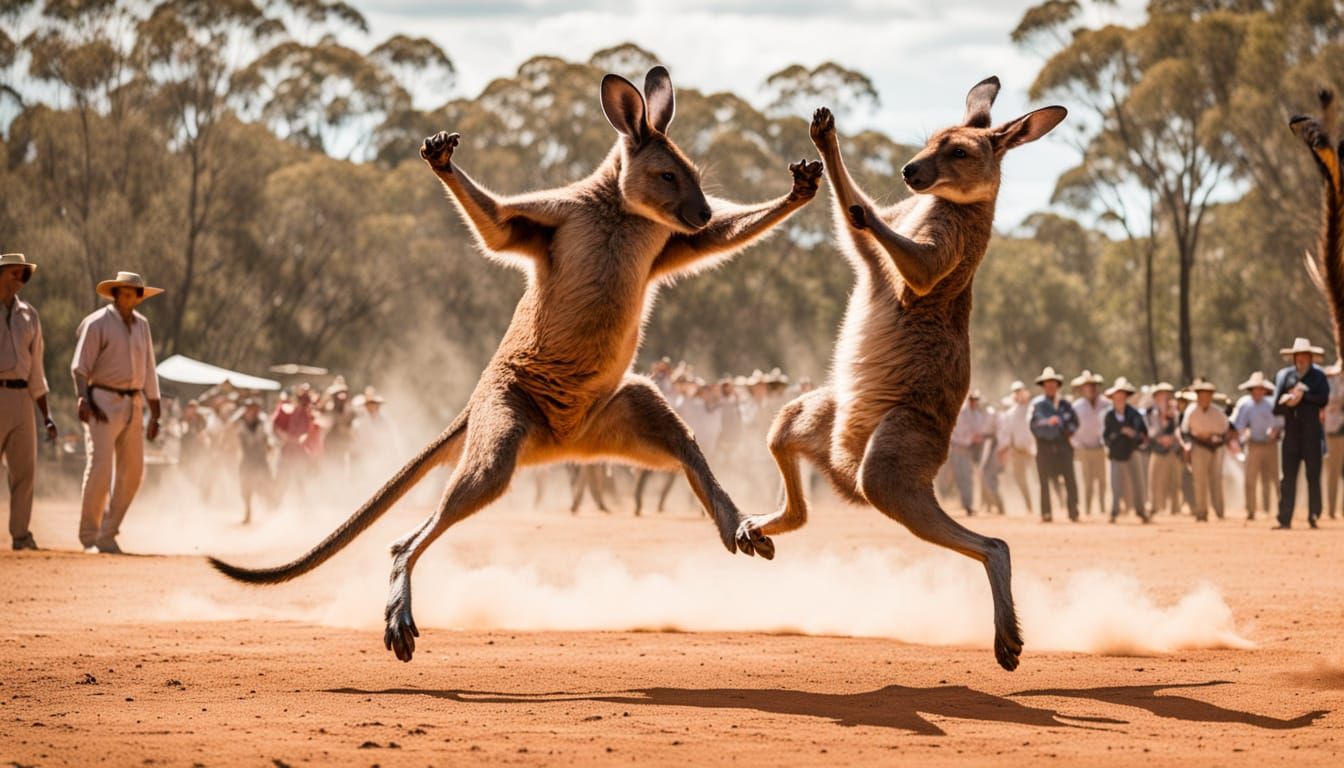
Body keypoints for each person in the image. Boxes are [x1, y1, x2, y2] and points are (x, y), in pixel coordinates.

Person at [71, 271, 163, 554]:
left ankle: (108, 532)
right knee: (101, 467)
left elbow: (149, 369)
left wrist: (155, 412)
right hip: (102, 399)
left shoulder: (142, 326)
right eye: (125, 292)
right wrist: (83, 399)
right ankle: (89, 536)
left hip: (133, 402)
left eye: (135, 292)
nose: (130, 297)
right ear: (115, 293)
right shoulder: (98, 323)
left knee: (134, 472)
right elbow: (80, 367)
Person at [0, 254, 57, 550]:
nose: (20, 279)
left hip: (23, 397)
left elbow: (37, 368)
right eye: (14, 273)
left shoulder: (30, 316)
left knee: (24, 471)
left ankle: (20, 535)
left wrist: (45, 414)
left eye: (23, 274)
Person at [1273, 337, 1330, 529]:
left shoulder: (1318, 377)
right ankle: (1284, 517)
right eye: (1298, 356)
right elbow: (1276, 407)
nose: (1301, 359)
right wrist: (1288, 401)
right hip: (1291, 434)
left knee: (1313, 475)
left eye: (1305, 356)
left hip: (1312, 433)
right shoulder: (1285, 376)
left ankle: (1313, 514)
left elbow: (1323, 399)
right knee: (1287, 477)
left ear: (1311, 357)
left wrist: (1305, 397)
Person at [1030, 366, 1079, 522]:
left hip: (1063, 446)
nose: (1050, 386)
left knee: (1070, 479)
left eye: (1053, 383)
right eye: (1047, 383)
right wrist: (1048, 423)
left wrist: (1065, 429)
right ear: (1043, 386)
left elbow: (1075, 422)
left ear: (1057, 385)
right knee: (1044, 482)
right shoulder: (1038, 405)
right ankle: (1046, 512)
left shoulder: (1065, 404)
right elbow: (1034, 425)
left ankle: (1073, 510)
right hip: (1044, 448)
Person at [1231, 371, 1282, 521]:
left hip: (1270, 445)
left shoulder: (1272, 404)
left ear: (1265, 390)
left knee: (1275, 478)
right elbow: (1239, 425)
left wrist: (1275, 431)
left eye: (1260, 389)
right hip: (1252, 445)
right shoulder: (1245, 405)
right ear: (1251, 390)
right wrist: (1243, 434)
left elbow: (1280, 423)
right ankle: (1251, 510)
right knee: (1250, 479)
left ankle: (1282, 508)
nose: (1257, 392)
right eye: (1255, 389)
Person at [1180, 378, 1229, 522]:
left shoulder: (1218, 413)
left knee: (1216, 480)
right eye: (1201, 394)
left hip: (1216, 448)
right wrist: (1188, 445)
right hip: (1198, 447)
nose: (1204, 398)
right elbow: (1185, 431)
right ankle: (1201, 512)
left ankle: (1219, 511)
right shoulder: (1191, 411)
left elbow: (1226, 431)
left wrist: (1218, 441)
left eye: (1207, 395)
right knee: (1199, 481)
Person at [1102, 377, 1149, 523]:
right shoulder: (1109, 416)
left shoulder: (1134, 414)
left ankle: (1141, 511)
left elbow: (1143, 434)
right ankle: (1114, 512)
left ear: (1126, 396)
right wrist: (1115, 438)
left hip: (1132, 452)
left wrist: (1133, 434)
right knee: (1115, 485)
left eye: (1122, 395)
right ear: (1113, 397)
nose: (1120, 398)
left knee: (1138, 484)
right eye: (1117, 395)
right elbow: (1105, 436)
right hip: (1115, 454)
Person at [1070, 370, 1107, 516]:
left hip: (1100, 448)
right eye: (1087, 386)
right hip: (1084, 449)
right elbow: (1072, 429)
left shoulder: (1105, 404)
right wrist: (1077, 446)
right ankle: (1088, 510)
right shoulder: (1077, 407)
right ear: (1082, 389)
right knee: (1087, 481)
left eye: (1092, 385)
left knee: (1102, 481)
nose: (1090, 389)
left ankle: (1103, 508)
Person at [949, 390, 992, 514]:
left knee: (967, 478)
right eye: (972, 400)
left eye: (976, 400)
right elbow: (957, 434)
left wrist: (977, 437)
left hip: (969, 450)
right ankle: (964, 503)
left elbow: (979, 431)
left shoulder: (978, 415)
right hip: (958, 449)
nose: (974, 402)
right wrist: (971, 438)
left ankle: (968, 505)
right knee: (960, 478)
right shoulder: (961, 414)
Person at [996, 380, 1035, 515]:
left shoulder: (1033, 408)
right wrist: (1003, 449)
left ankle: (1043, 503)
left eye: (1021, 391)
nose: (1019, 395)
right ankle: (1029, 504)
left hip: (1034, 451)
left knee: (1037, 478)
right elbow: (1006, 433)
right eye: (1016, 392)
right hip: (1018, 451)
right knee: (1020, 479)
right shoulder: (1010, 414)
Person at [232, 398, 273, 524]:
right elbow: (233, 440)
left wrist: (267, 447)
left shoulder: (264, 423)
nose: (251, 412)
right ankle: (248, 512)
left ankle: (267, 510)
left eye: (254, 409)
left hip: (260, 459)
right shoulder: (239, 424)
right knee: (246, 488)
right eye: (249, 409)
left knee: (264, 486)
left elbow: (269, 441)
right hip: (247, 460)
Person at [1145, 382, 1183, 517]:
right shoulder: (1151, 413)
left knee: (1175, 480)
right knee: (1154, 479)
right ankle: (1154, 505)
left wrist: (1171, 438)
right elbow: (1150, 431)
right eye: (1161, 395)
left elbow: (1179, 429)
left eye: (1166, 395)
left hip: (1172, 450)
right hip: (1157, 449)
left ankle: (1175, 507)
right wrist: (1160, 437)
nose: (1164, 398)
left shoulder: (1175, 412)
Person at [1322, 360, 1344, 519]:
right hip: (1334, 432)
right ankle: (1331, 510)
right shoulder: (1329, 376)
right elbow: (1329, 400)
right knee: (1333, 473)